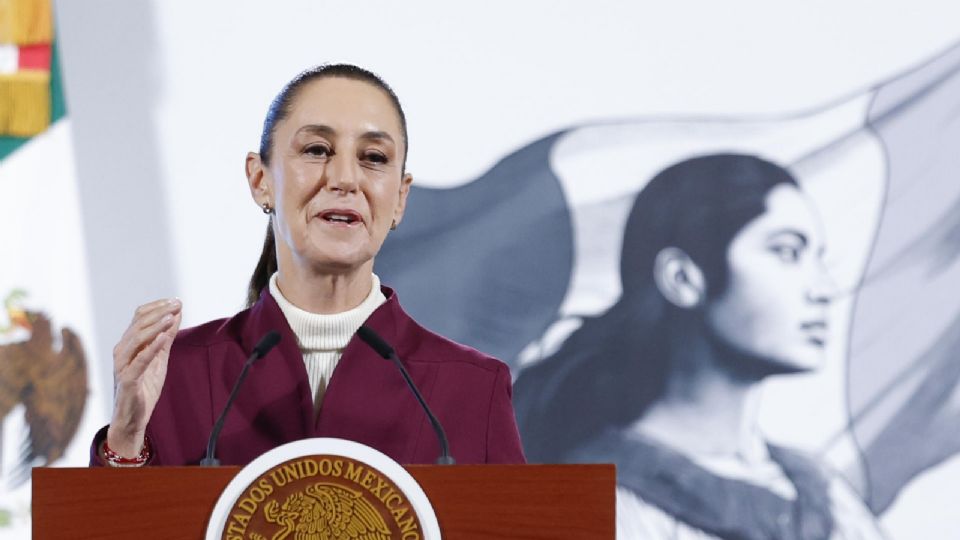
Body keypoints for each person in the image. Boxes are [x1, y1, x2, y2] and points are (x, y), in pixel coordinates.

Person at [90, 64, 525, 467]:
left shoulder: (471, 389)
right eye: (317, 150)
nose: (345, 179)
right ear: (261, 180)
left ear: (400, 199)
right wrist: (126, 435)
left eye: (373, 158)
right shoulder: (176, 374)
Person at [513, 154, 883, 539]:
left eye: (817, 259)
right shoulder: (594, 506)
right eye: (787, 252)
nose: (824, 290)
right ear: (683, 279)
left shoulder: (823, 492)